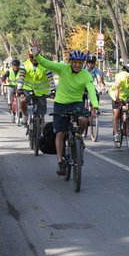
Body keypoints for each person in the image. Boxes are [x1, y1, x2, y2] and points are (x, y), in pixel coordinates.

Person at [32, 46, 99, 175]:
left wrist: (95, 106)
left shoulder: (86, 75)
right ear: (71, 62)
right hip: (61, 104)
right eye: (75, 62)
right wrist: (37, 54)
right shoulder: (63, 69)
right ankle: (60, 162)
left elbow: (91, 90)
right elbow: (46, 63)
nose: (78, 65)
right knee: (60, 133)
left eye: (80, 63)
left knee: (83, 120)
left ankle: (79, 138)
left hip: (76, 103)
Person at [17, 48, 55, 126]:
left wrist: (53, 90)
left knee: (41, 116)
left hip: (41, 91)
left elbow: (50, 78)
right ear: (28, 56)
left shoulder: (45, 65)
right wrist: (19, 88)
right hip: (28, 89)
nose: (34, 59)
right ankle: (24, 115)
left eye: (36, 56)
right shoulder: (24, 65)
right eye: (31, 57)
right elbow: (21, 77)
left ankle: (40, 133)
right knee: (23, 100)